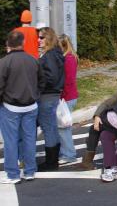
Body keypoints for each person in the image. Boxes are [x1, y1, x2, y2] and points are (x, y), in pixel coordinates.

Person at [0, 31, 45, 183]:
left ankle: (13, 174)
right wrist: (35, 95)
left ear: (8, 44)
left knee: (11, 141)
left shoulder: (4, 62)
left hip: (10, 107)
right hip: (31, 106)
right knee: (29, 139)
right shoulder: (33, 60)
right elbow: (42, 82)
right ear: (23, 42)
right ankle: (30, 171)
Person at [37, 27, 65, 171]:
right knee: (51, 127)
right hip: (52, 95)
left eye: (41, 37)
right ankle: (53, 160)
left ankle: (51, 162)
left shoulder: (50, 55)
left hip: (47, 95)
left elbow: (51, 77)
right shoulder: (56, 53)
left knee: (48, 128)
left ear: (48, 38)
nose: (38, 40)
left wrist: (39, 85)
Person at [57, 34, 78, 164]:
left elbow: (68, 80)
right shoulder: (70, 57)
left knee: (64, 128)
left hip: (66, 97)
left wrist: (61, 96)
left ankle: (69, 154)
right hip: (68, 96)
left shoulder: (68, 59)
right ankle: (65, 152)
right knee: (62, 127)